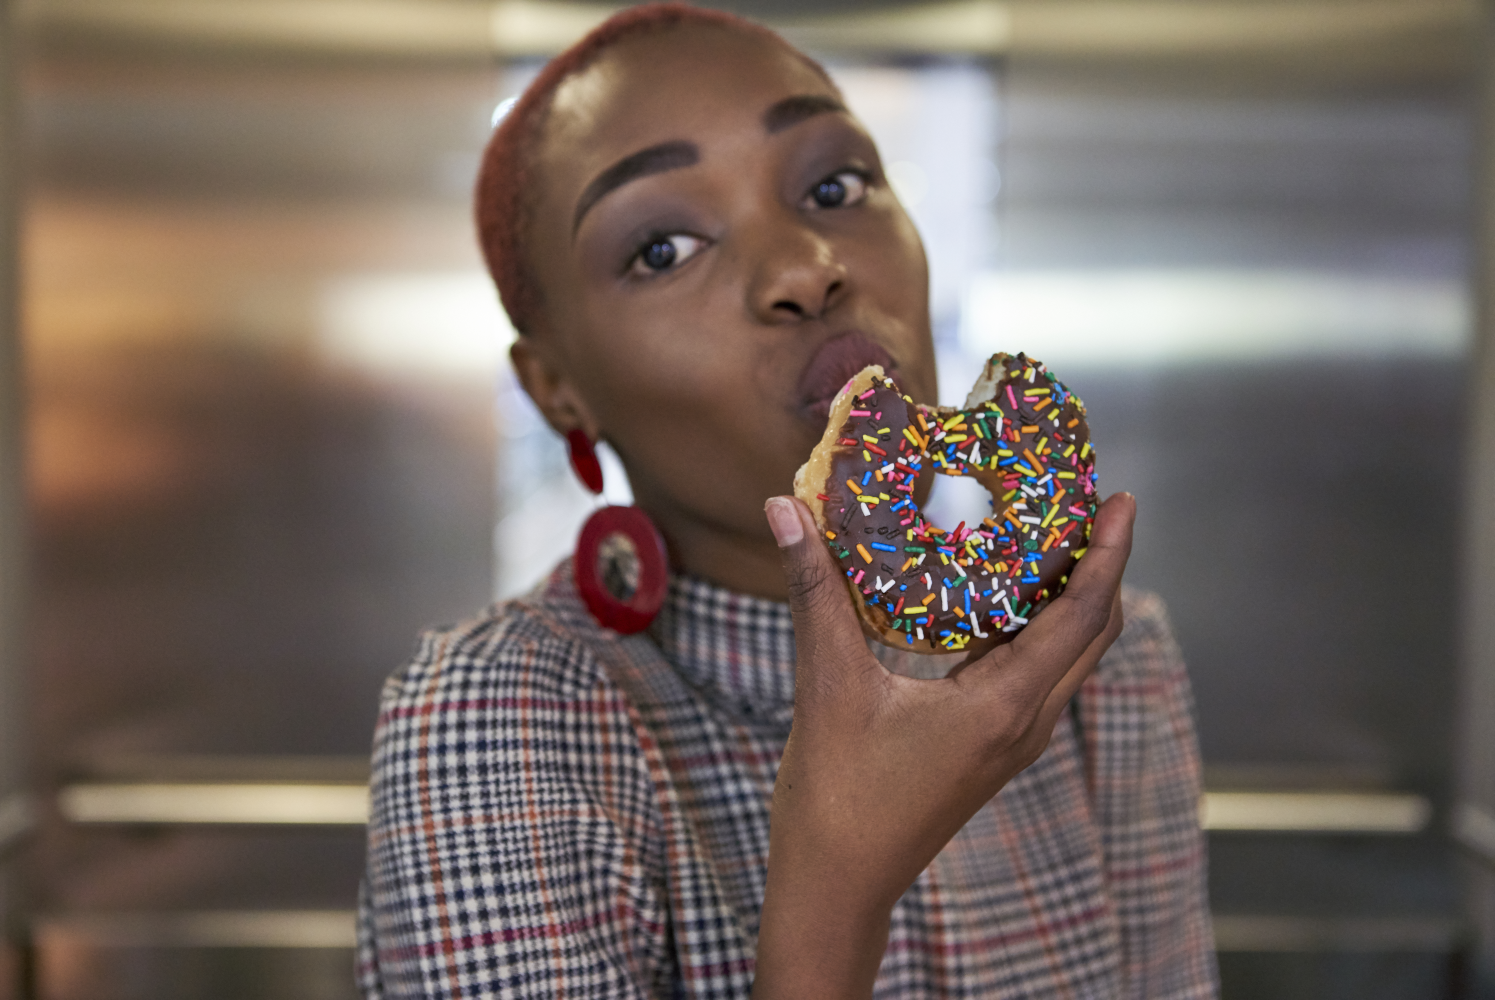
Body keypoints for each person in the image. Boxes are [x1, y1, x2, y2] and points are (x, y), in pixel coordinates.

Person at [356, 4, 1217, 997]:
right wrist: (836, 884)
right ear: (558, 387)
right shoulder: (501, 714)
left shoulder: (1102, 663)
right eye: (663, 249)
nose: (808, 270)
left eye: (834, 185)